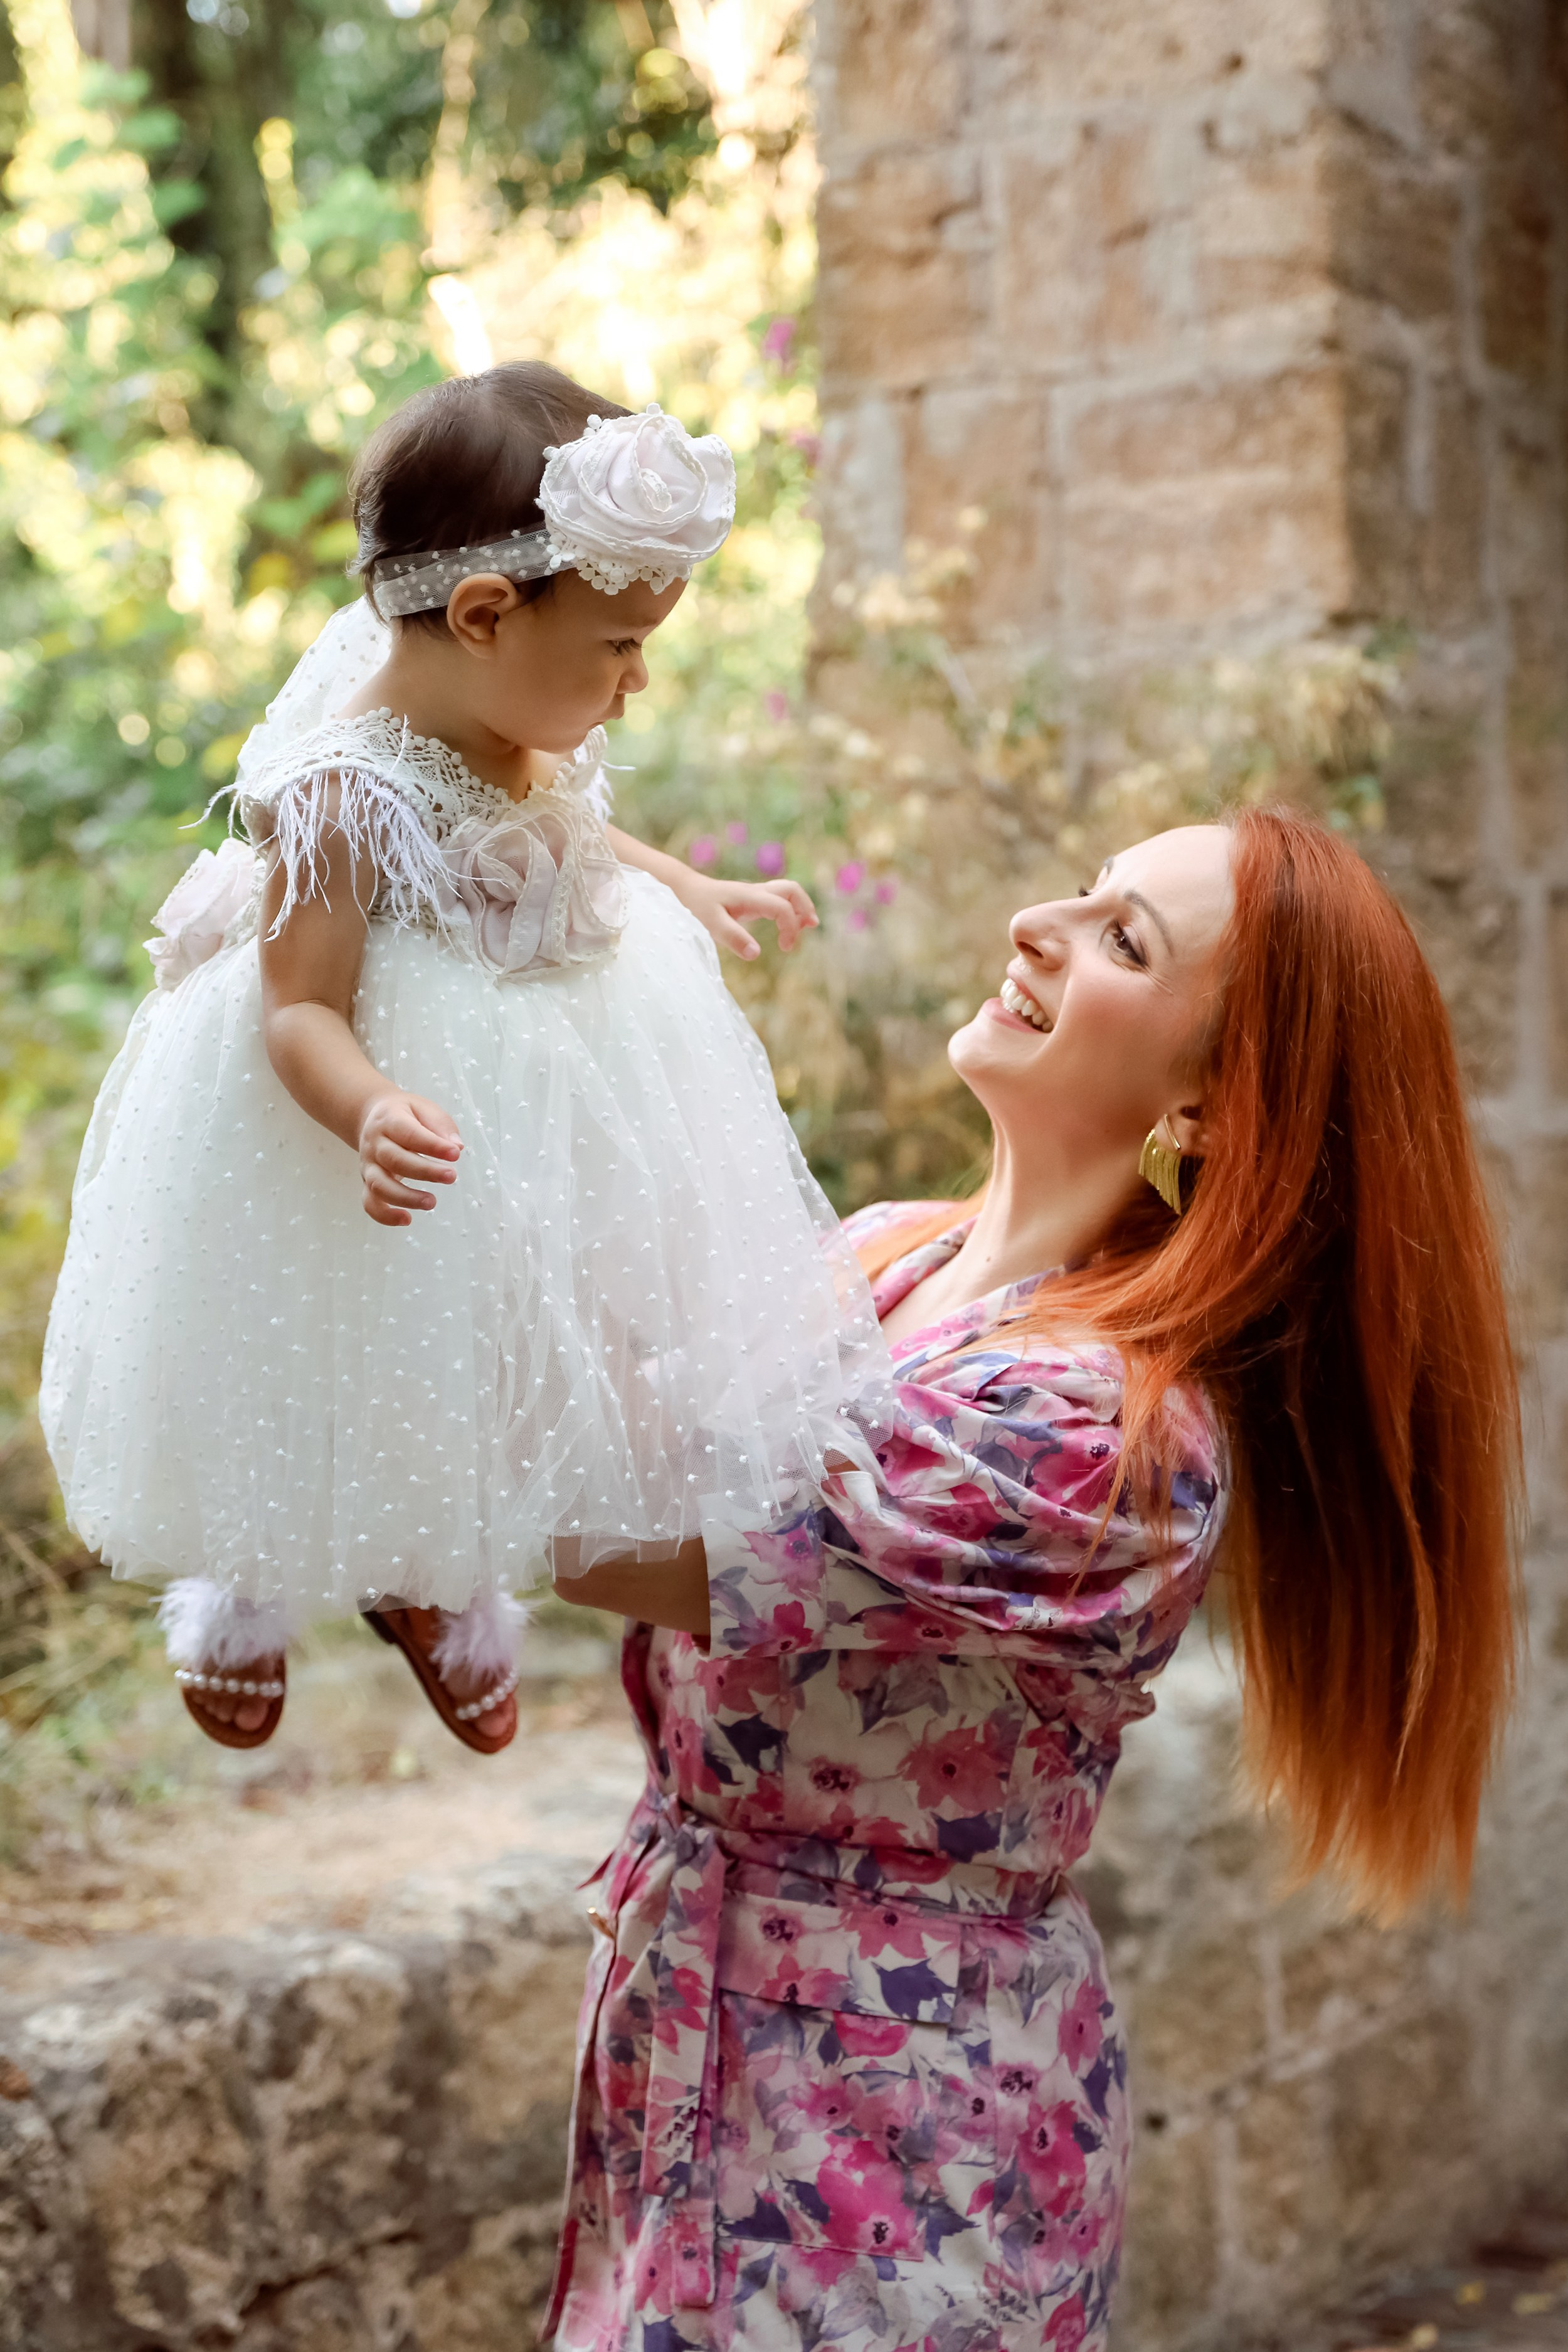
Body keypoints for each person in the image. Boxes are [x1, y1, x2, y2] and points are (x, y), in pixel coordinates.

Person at [545, 809, 1520, 2351]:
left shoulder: (1102, 1433)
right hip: (685, 2043)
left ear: (1211, 1105)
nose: (1036, 925)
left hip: (888, 2135)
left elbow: (615, 1538)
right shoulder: (879, 1256)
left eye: (1122, 938)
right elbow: (600, 1454)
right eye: (1081, 891)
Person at [39, 364, 882, 1755]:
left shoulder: (512, 710)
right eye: (619, 647)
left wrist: (689, 885)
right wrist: (368, 1107)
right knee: (311, 1342)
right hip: (362, 1112)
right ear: (485, 615)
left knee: (509, 1335)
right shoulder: (339, 791)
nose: (638, 679)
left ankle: (439, 1576)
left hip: (531, 1084)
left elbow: (566, 822)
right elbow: (299, 1009)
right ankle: (247, 1582)